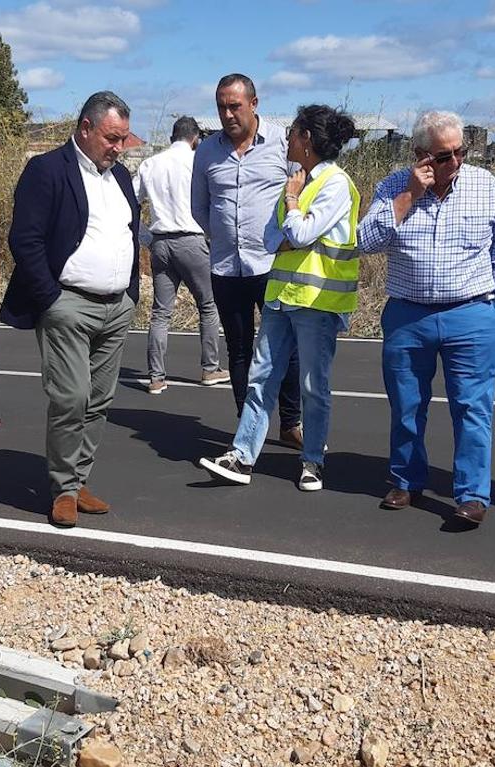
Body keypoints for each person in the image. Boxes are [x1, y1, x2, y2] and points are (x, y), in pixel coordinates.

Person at [358, 111, 495, 526]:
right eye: (445, 156)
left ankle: (472, 495)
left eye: (461, 152)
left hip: (472, 313)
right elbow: (365, 241)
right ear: (421, 156)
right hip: (408, 315)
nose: (456, 162)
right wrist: (408, 196)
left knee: (473, 408)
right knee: (407, 405)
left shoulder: (485, 184)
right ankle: (406, 480)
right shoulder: (393, 186)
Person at [0, 91, 140, 529]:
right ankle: (62, 488)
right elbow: (25, 240)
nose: (118, 148)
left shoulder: (120, 178)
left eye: (123, 140)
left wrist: (132, 294)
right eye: (111, 138)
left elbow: (131, 233)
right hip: (68, 305)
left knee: (99, 400)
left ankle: (78, 482)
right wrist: (52, 299)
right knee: (71, 398)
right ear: (85, 128)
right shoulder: (47, 171)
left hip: (116, 307)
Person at [200, 105, 359, 491]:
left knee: (312, 384)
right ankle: (242, 456)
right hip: (281, 296)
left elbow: (301, 234)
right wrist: (291, 225)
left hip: (318, 301)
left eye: (292, 133)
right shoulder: (295, 180)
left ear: (307, 139)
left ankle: (313, 461)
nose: (286, 139)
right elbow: (270, 238)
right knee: (261, 377)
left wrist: (291, 207)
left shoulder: (335, 183)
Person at [192, 73, 304, 449]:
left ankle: (291, 423)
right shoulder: (207, 150)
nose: (227, 114)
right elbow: (199, 207)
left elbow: (299, 194)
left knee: (283, 347)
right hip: (226, 266)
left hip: (272, 264)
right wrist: (223, 235)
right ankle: (247, 426)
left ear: (254, 104)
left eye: (234, 106)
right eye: (221, 106)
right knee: (238, 348)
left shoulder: (281, 142)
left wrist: (284, 238)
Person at [134, 115, 228, 394]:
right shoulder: (198, 161)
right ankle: (210, 368)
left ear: (171, 137)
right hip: (191, 239)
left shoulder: (150, 164)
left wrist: (145, 236)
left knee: (161, 312)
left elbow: (130, 202)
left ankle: (156, 377)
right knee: (208, 305)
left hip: (160, 241)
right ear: (195, 138)